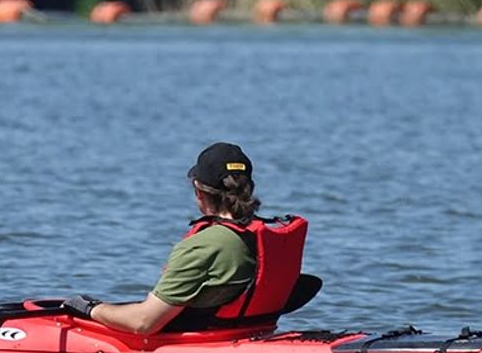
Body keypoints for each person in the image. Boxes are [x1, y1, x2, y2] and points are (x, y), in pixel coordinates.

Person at [64, 142, 308, 334]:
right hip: (252, 331)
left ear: (199, 191)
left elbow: (143, 323)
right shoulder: (266, 234)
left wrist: (92, 309)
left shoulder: (204, 245)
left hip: (206, 341)